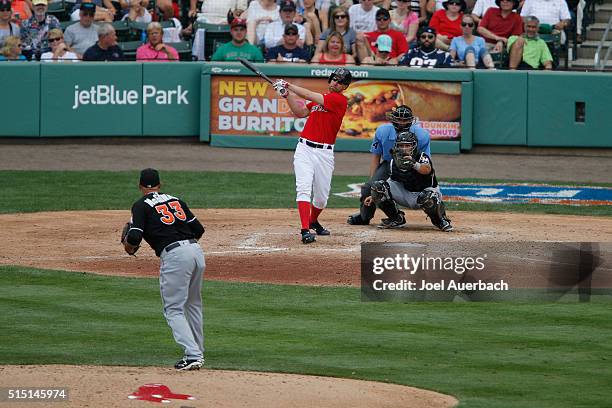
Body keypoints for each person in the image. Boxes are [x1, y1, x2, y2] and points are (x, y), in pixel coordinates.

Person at [122, 168, 206, 371]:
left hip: (176, 256)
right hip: (196, 252)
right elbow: (199, 230)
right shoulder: (176, 200)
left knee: (173, 309)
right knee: (193, 304)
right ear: (160, 184)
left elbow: (134, 238)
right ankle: (198, 349)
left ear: (140, 186)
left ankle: (193, 355)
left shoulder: (140, 205)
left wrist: (129, 243)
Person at [271, 68, 352, 244]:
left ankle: (313, 220)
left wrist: (287, 85)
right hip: (304, 149)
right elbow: (300, 113)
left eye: (339, 81)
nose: (335, 83)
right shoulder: (321, 100)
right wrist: (286, 95)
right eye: (333, 79)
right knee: (304, 189)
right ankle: (305, 229)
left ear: (345, 86)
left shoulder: (339, 100)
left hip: (325, 153)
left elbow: (308, 94)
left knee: (322, 198)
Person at [347, 105, 431, 226]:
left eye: (405, 120)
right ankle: (368, 217)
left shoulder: (422, 135)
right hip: (389, 163)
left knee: (428, 193)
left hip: (412, 165)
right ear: (393, 119)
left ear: (411, 120)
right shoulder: (382, 131)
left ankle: (439, 218)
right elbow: (376, 157)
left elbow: (426, 161)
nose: (401, 123)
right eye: (399, 119)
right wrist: (372, 181)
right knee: (368, 188)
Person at [370, 131, 453, 232]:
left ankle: (440, 220)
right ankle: (396, 218)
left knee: (428, 197)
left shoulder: (422, 157)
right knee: (377, 187)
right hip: (405, 194)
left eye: (407, 145)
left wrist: (414, 164)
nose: (404, 148)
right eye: (401, 145)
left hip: (424, 192)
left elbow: (426, 169)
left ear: (413, 146)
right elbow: (391, 181)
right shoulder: (393, 161)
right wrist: (374, 195)